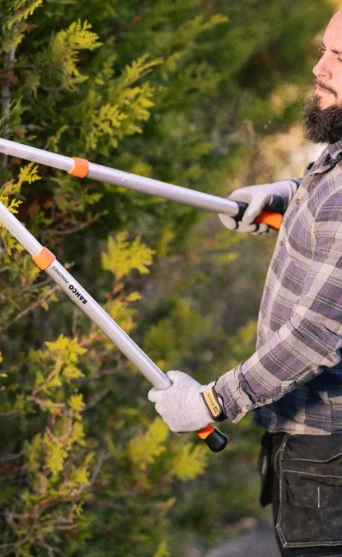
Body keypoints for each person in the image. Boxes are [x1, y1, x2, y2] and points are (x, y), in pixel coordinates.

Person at [148, 10, 342, 557]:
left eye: (338, 58)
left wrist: (212, 402)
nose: (317, 66)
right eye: (323, 49)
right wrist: (285, 195)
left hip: (326, 450)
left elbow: (315, 338)